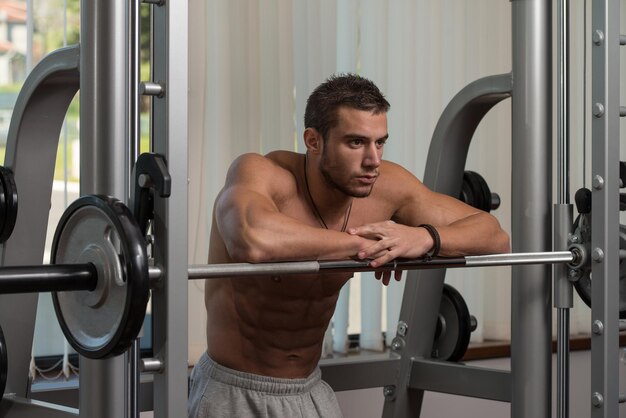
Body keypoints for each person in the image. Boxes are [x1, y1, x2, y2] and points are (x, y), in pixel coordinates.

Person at [188, 73, 510, 418]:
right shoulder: (263, 173)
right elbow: (251, 239)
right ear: (314, 141)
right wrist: (368, 244)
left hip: (309, 390)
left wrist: (422, 237)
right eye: (356, 143)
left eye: (380, 142)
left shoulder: (387, 186)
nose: (373, 160)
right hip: (235, 392)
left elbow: (495, 236)